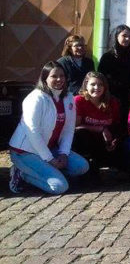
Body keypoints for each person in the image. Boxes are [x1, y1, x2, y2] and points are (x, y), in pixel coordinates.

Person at [8, 61, 88, 194]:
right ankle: (21, 173)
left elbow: (68, 129)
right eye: (54, 76)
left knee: (81, 166)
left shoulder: (68, 98)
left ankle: (45, 172)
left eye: (62, 76)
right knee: (59, 187)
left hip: (51, 149)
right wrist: (50, 159)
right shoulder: (36, 98)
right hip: (25, 152)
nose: (59, 79)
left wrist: (63, 153)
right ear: (45, 78)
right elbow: (32, 131)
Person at [73, 72, 122, 183]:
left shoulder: (112, 102)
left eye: (100, 85)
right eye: (93, 84)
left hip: (106, 140)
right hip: (88, 141)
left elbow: (117, 124)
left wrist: (115, 140)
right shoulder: (79, 100)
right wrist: (100, 128)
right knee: (81, 134)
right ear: (86, 85)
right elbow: (76, 126)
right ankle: (87, 170)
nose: (97, 88)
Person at [98, 25, 130, 129]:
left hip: (128, 97)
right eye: (124, 36)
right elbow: (102, 77)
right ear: (117, 37)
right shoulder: (108, 57)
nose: (127, 39)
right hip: (111, 96)